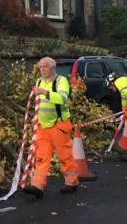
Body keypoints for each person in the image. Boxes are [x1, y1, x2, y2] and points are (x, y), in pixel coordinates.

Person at [23, 57, 78, 199]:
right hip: (43, 126)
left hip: (59, 124)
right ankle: (37, 186)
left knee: (65, 155)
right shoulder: (39, 81)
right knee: (41, 156)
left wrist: (44, 92)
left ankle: (72, 183)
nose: (42, 69)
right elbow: (39, 104)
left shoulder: (61, 81)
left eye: (45, 66)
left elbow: (63, 99)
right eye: (40, 67)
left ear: (53, 67)